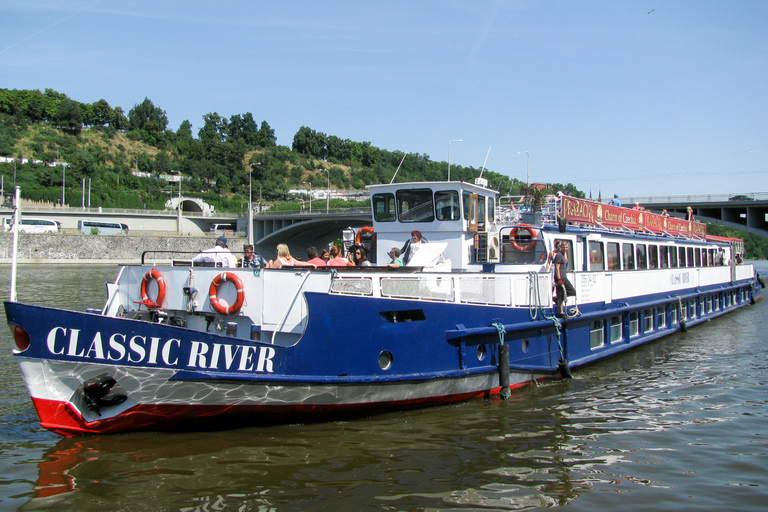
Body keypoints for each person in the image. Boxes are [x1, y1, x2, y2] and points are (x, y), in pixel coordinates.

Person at [552, 241, 576, 317]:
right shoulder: (558, 255)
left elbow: (565, 262)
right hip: (560, 278)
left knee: (572, 291)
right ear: (560, 247)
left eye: (566, 247)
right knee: (560, 295)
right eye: (563, 247)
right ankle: (561, 312)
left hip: (564, 277)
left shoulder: (563, 255)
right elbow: (557, 268)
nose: (565, 249)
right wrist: (559, 279)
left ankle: (558, 300)